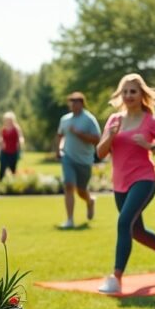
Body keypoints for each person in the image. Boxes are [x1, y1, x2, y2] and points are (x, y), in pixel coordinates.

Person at [95, 73, 155, 294]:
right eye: (126, 91)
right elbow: (100, 153)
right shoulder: (114, 120)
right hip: (120, 183)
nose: (129, 95)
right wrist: (110, 136)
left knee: (124, 223)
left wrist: (149, 146)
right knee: (136, 231)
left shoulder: (151, 121)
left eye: (133, 91)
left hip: (144, 180)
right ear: (120, 95)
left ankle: (116, 277)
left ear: (142, 94)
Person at [55, 92, 101, 229]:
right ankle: (70, 220)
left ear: (82, 103)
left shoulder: (89, 119)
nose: (73, 105)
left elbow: (97, 139)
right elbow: (59, 135)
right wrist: (58, 150)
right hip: (68, 157)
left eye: (76, 102)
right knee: (69, 186)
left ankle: (90, 201)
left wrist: (79, 133)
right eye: (71, 102)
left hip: (85, 160)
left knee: (81, 190)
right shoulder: (65, 119)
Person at [0, 111, 25, 182]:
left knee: (13, 169)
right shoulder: (3, 128)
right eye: (6, 120)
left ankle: (13, 184)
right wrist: (1, 141)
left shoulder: (16, 128)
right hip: (4, 151)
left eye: (9, 120)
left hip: (13, 151)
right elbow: (0, 137)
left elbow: (21, 137)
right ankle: (0, 182)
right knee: (2, 167)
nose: (8, 121)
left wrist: (21, 141)